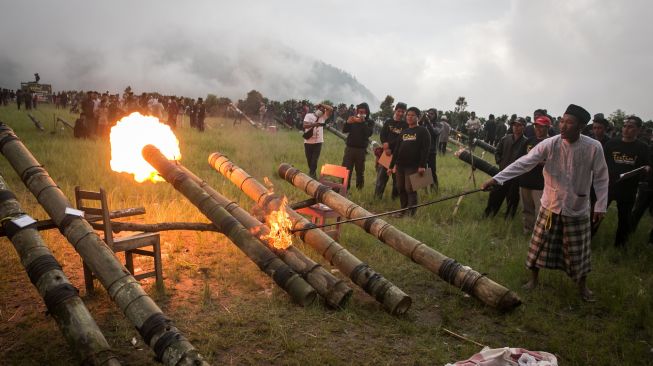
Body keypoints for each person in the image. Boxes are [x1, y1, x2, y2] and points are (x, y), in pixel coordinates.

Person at [482, 104, 608, 302]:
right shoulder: (550, 143)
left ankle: (582, 287)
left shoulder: (593, 147)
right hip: (550, 204)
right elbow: (524, 162)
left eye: (569, 123)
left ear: (581, 126)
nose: (563, 126)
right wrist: (497, 179)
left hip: (577, 206)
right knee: (538, 246)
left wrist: (600, 205)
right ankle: (533, 280)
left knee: (579, 252)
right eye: (562, 121)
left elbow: (601, 177)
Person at [602, 115, 650, 247]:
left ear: (638, 130)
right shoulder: (612, 144)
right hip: (609, 185)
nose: (626, 129)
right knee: (597, 213)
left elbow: (646, 165)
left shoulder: (643, 147)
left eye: (630, 127)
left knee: (624, 219)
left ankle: (620, 245)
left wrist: (646, 169)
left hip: (629, 187)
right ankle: (587, 237)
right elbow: (602, 163)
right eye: (624, 126)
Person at [388, 107, 431, 218]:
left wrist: (422, 165)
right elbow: (397, 149)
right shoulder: (404, 132)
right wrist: (391, 166)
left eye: (412, 115)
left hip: (413, 166)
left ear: (418, 117)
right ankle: (403, 211)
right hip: (400, 165)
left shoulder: (422, 131)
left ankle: (411, 214)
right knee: (400, 188)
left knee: (410, 188)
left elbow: (425, 149)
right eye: (408, 115)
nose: (409, 117)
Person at [484, 117, 527, 218]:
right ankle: (489, 214)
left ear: (523, 127)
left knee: (512, 198)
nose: (516, 127)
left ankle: (508, 217)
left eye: (519, 125)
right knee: (495, 195)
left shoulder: (526, 142)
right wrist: (500, 162)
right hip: (502, 173)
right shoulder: (506, 138)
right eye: (514, 125)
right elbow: (497, 151)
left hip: (515, 176)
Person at [518, 115, 550, 234]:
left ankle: (540, 233)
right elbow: (520, 158)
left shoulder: (551, 142)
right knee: (526, 209)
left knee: (540, 211)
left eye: (541, 127)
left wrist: (541, 162)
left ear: (547, 127)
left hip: (541, 184)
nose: (538, 129)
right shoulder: (529, 141)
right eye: (536, 126)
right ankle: (527, 230)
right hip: (525, 181)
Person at [374, 102, 407, 199]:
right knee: (381, 177)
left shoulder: (405, 125)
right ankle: (377, 197)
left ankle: (394, 198)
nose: (400, 113)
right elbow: (382, 134)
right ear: (395, 110)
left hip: (398, 155)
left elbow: (401, 139)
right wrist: (385, 145)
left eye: (402, 111)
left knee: (397, 179)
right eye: (399, 111)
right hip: (386, 154)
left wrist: (389, 146)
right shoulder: (388, 122)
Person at [342, 102, 374, 189]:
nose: (361, 114)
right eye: (359, 111)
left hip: (361, 150)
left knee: (360, 171)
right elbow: (344, 130)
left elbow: (368, 133)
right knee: (346, 170)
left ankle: (359, 189)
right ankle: (344, 188)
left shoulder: (369, 122)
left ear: (367, 112)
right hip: (349, 149)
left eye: (363, 112)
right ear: (357, 111)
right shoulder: (353, 119)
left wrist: (363, 123)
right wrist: (348, 123)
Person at [303, 103, 333, 178]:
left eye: (323, 111)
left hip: (318, 142)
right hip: (308, 142)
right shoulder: (309, 115)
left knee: (314, 160)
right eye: (321, 109)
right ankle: (313, 174)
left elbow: (331, 109)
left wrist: (322, 104)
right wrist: (314, 124)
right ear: (317, 109)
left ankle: (312, 175)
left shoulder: (323, 117)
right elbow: (304, 125)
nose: (322, 112)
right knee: (309, 160)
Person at [421, 108, 440, 189]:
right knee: (422, 171)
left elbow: (435, 133)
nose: (430, 115)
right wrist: (421, 119)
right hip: (422, 152)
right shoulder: (423, 124)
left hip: (432, 151)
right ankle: (424, 190)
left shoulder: (439, 125)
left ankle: (434, 190)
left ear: (436, 115)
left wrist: (428, 122)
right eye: (429, 113)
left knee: (432, 171)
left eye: (432, 114)